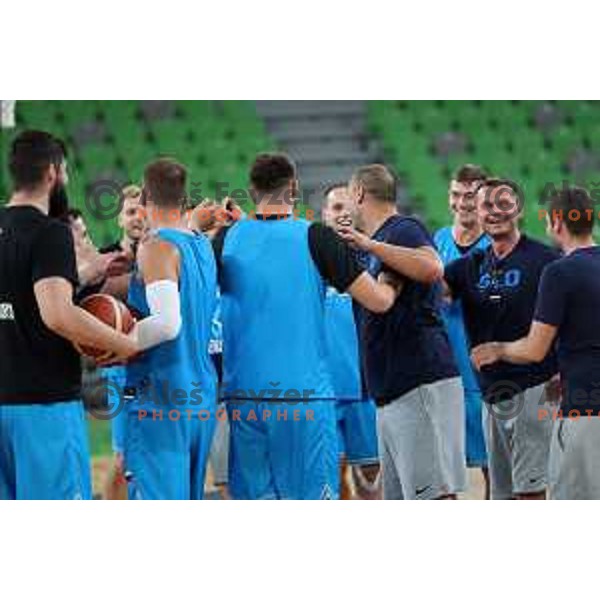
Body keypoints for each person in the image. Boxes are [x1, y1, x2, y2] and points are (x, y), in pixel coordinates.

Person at [214, 153, 398, 500]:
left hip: (244, 399)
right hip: (303, 397)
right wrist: (392, 280)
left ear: (252, 191)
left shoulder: (225, 240)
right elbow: (378, 301)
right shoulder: (317, 238)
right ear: (294, 188)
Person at [0, 130, 138, 500]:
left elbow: (20, 296)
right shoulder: (50, 233)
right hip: (44, 408)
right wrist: (124, 343)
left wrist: (84, 275)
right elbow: (57, 314)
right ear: (52, 173)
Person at [339, 164, 465, 500]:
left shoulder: (401, 229)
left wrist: (371, 246)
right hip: (393, 388)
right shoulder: (376, 243)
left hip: (419, 380)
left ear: (359, 194)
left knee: (433, 497)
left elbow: (432, 267)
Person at [472, 186, 600, 499]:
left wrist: (498, 349)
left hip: (585, 408)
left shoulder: (559, 271)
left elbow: (534, 349)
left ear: (556, 222)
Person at [444, 178, 559, 499]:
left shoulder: (546, 260)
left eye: (503, 204)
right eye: (486, 206)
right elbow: (429, 292)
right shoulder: (468, 267)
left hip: (536, 391)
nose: (494, 212)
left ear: (519, 209)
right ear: (477, 214)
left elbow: (574, 318)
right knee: (501, 495)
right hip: (491, 396)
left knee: (530, 492)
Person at [123, 158, 218, 500]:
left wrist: (117, 341)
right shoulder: (202, 244)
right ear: (182, 198)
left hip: (161, 397)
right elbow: (188, 227)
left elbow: (166, 324)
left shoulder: (155, 247)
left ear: (145, 197)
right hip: (201, 394)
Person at [434, 164, 490, 498]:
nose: (463, 202)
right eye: (456, 194)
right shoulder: (437, 239)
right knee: (444, 474)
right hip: (444, 372)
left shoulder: (498, 245)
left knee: (495, 470)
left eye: (471, 196)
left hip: (485, 374)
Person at [321, 183, 380, 499]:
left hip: (367, 387)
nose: (343, 215)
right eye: (336, 208)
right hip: (324, 391)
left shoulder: (376, 256)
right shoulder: (310, 262)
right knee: (334, 478)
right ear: (325, 215)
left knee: (372, 482)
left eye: (348, 208)